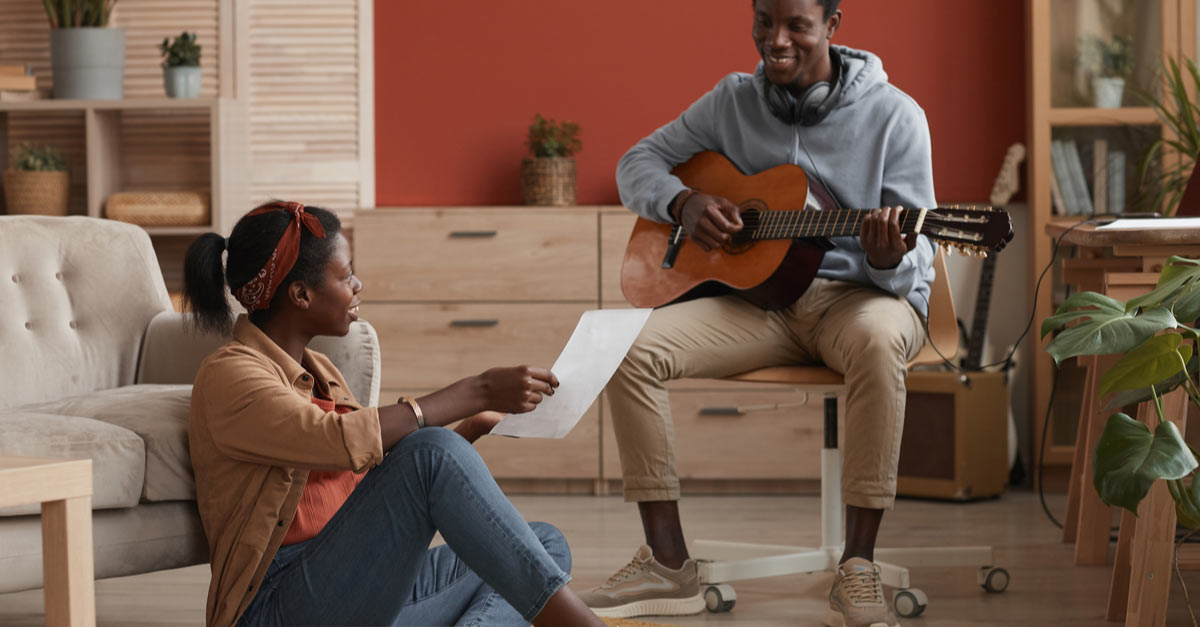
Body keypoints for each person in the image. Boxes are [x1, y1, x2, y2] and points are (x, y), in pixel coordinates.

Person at [579, 1, 936, 626]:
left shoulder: (895, 116)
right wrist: (682, 201)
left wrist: (886, 257)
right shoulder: (730, 101)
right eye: (764, 21)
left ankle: (858, 565)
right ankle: (669, 564)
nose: (777, 40)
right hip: (761, 304)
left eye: (797, 25)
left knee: (879, 341)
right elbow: (635, 163)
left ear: (832, 26)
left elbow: (919, 258)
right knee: (627, 347)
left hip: (861, 300)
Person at [183, 201, 605, 627]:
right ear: (301, 294)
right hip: (277, 604)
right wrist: (480, 390)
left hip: (352, 584)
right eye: (346, 275)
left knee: (543, 545)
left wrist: (470, 428)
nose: (358, 284)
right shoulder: (231, 374)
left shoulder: (321, 371)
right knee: (432, 455)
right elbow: (335, 439)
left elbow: (377, 486)